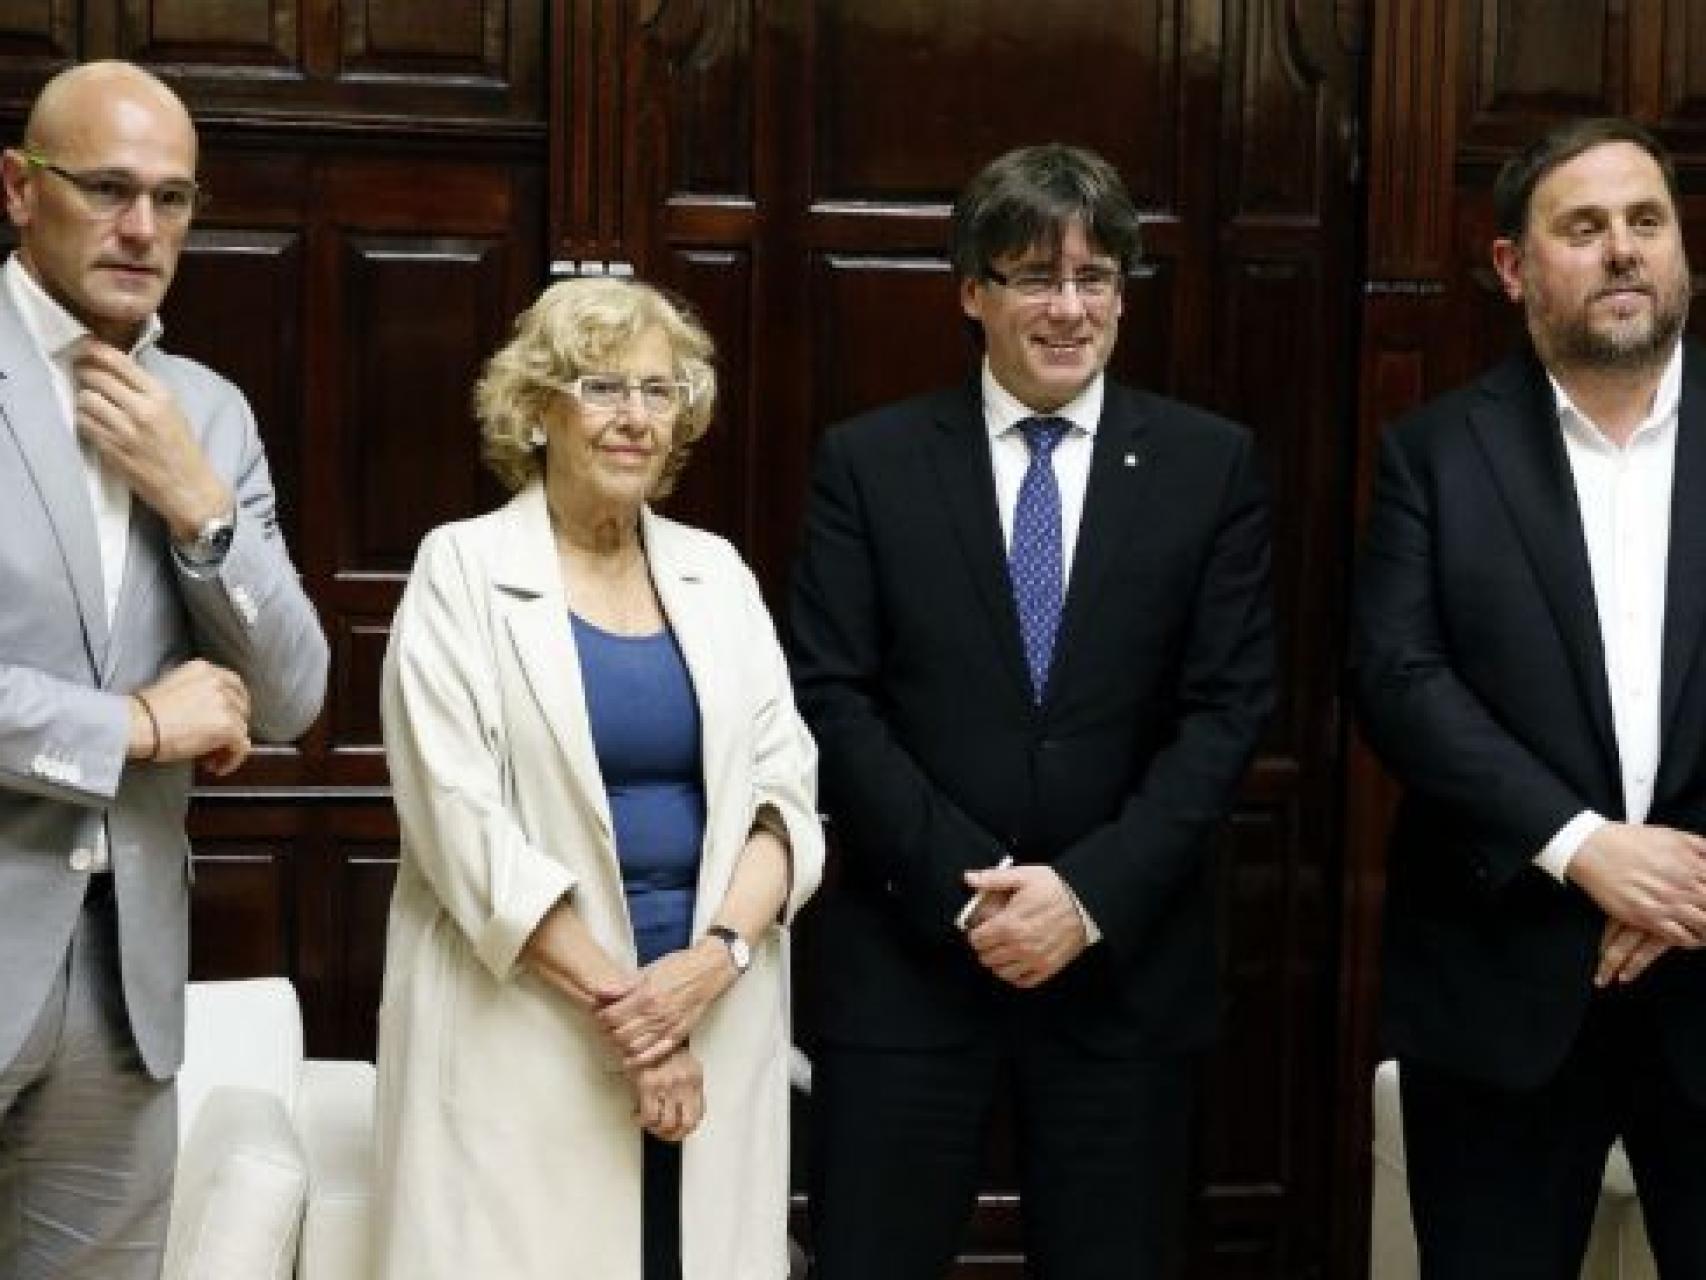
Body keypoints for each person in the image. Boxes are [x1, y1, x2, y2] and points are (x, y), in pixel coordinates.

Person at [788, 143, 1274, 1279]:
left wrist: (1084, 895)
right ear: (971, 290)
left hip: (1123, 975)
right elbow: (830, 695)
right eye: (1031, 277)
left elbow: (1227, 708)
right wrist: (971, 891)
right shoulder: (869, 462)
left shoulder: (1209, 465)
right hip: (908, 963)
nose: (1068, 309)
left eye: (1094, 278)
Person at [374, 276, 823, 1280]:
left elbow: (784, 799)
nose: (634, 417)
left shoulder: (719, 573)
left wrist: (713, 959)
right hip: (531, 1025)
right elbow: (464, 835)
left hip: (713, 1011)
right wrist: (640, 1025)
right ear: (537, 409)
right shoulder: (460, 570)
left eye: (658, 392)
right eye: (601, 387)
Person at [1352, 117, 1706, 1276]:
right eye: (1583, 227)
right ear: (1512, 267)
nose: (1620, 251)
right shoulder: (1433, 453)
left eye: (1644, 222)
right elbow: (1398, 680)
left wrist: (1684, 874)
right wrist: (1586, 847)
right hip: (1498, 996)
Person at [0, 61, 328, 1280]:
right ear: (20, 191)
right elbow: (148, 718)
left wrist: (203, 509)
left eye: (175, 199)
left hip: (122, 997)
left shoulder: (210, 412)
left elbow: (292, 695)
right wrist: (134, 722)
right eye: (108, 189)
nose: (144, 229)